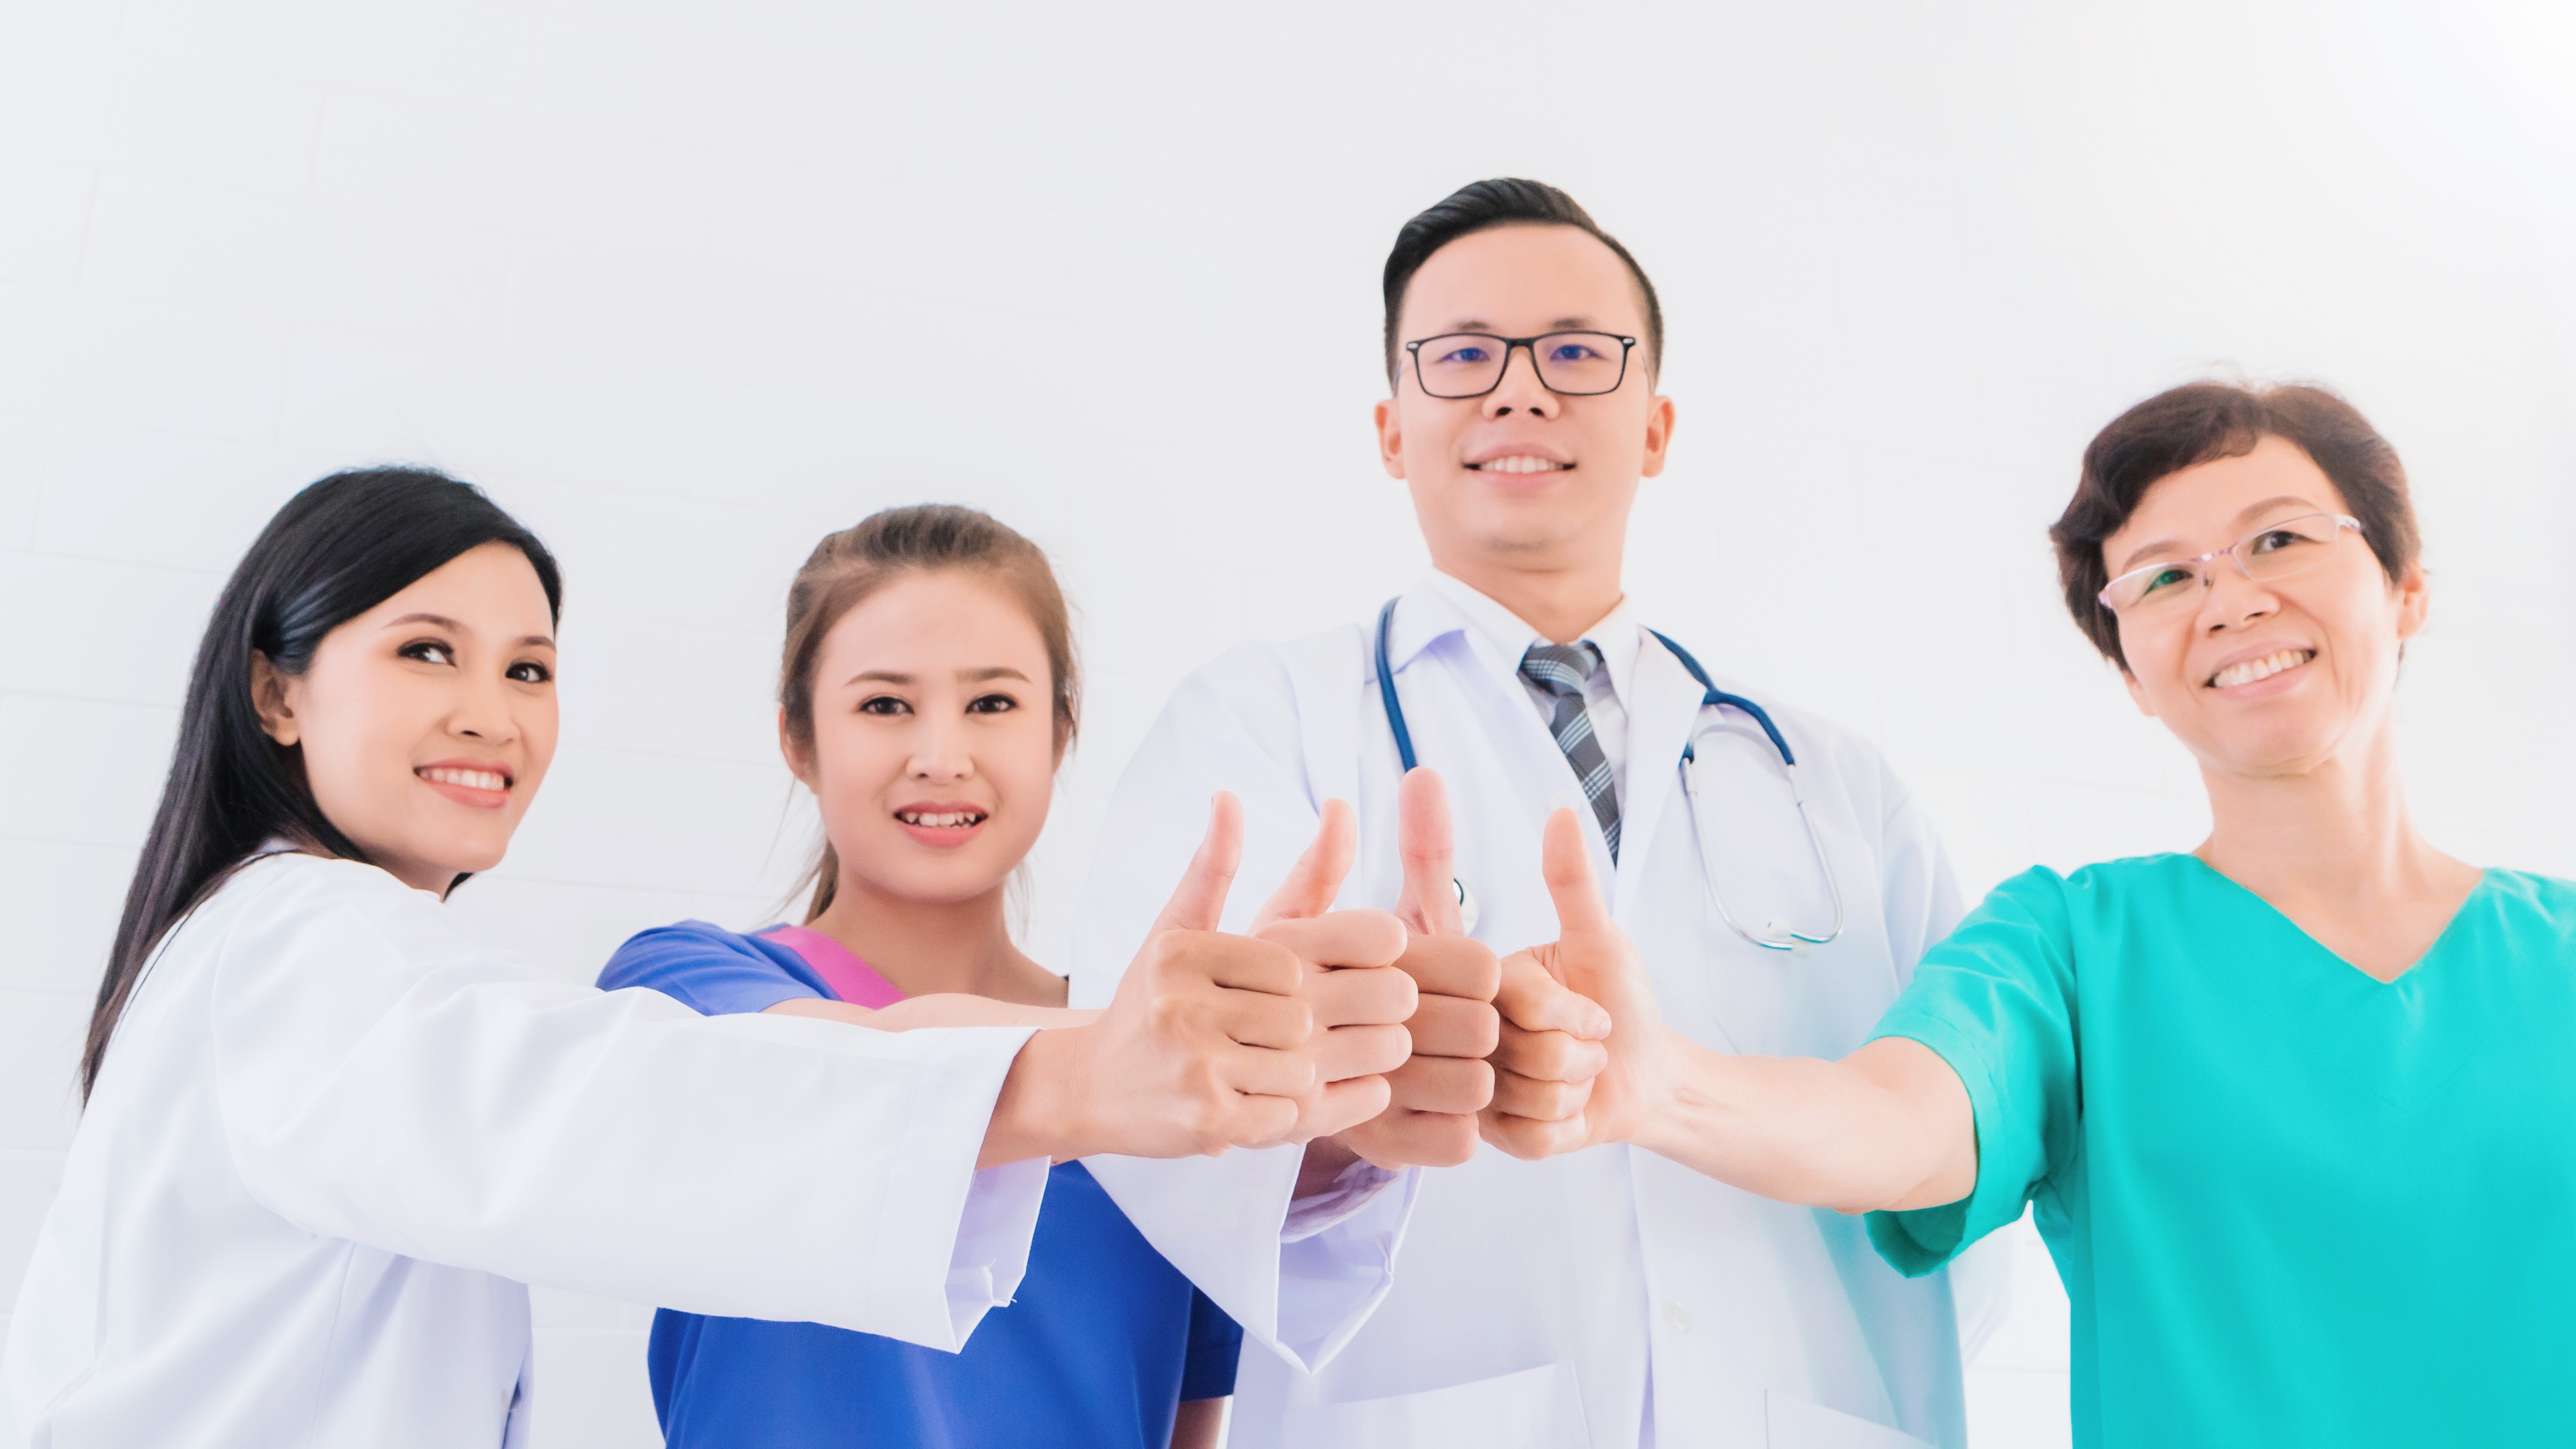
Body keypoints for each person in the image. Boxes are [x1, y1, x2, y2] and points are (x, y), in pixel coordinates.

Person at [0, 470, 1409, 1448]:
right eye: (427, 652)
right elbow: (636, 1099)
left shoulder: (357, 965)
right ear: (277, 689)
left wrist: (1352, 1115)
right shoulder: (308, 953)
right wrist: (1071, 1074)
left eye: (530, 668)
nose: (489, 714)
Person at [1072, 178, 2000, 1448]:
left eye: (1575, 351)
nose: (1520, 389)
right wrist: (1344, 1129)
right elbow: (1138, 1119)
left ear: (1658, 424)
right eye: (1461, 356)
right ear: (1393, 427)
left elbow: (1948, 1178)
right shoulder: (1260, 722)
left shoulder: (1838, 785)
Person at [1493, 380, 2576, 1445]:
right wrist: (1665, 1086)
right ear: (2136, 679)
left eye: (2280, 541)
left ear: (2407, 589)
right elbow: (1902, 1123)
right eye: (2162, 579)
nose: (2230, 600)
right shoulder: (2074, 951)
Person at [597, 505, 1419, 1449]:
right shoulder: (684, 991)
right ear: (798, 738)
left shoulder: (1174, 1076)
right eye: (883, 704)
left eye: (992, 703)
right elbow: (813, 1071)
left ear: (1060, 732)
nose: (943, 757)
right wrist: (1172, 1045)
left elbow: (1193, 1424)